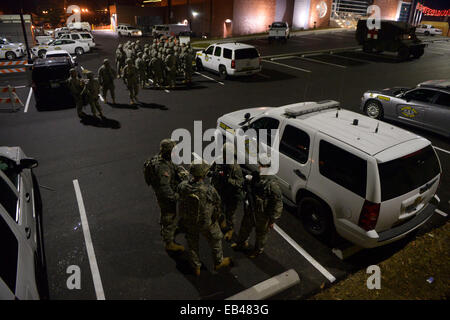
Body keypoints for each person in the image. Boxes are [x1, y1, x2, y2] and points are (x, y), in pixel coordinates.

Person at [178, 162, 233, 276]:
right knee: (216, 240)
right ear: (203, 175)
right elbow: (218, 205)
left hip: (189, 222)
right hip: (207, 223)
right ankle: (218, 262)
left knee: (192, 243)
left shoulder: (183, 186)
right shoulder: (209, 190)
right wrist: (218, 219)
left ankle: (196, 266)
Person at [232, 155, 283, 258]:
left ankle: (257, 250)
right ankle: (241, 243)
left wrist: (273, 220)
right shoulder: (255, 176)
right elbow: (246, 186)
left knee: (261, 234)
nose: (260, 168)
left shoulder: (272, 183)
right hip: (251, 208)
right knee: (245, 227)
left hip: (263, 214)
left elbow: (278, 202)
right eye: (260, 165)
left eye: (263, 166)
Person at [144, 139, 189, 253]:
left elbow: (173, 166)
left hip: (162, 193)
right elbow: (165, 188)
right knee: (170, 215)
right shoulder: (162, 168)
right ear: (169, 152)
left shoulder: (162, 158)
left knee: (165, 213)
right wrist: (176, 196)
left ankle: (165, 225)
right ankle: (169, 242)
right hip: (165, 196)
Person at [209, 142, 244, 241]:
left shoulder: (235, 167)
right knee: (218, 208)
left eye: (226, 154)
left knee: (230, 214)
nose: (224, 156)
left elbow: (240, 183)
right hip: (220, 191)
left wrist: (228, 180)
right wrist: (211, 173)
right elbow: (211, 169)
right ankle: (221, 221)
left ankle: (230, 229)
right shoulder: (219, 160)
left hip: (231, 195)